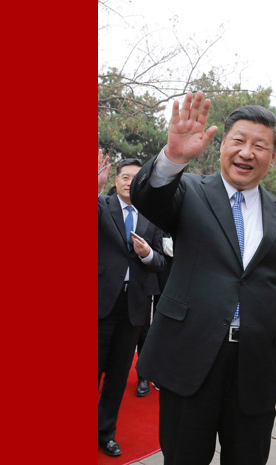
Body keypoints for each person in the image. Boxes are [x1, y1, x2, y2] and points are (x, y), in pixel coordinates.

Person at [130, 91, 276, 465]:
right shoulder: (188, 191)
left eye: (260, 146)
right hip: (190, 356)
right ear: (223, 143)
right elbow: (149, 197)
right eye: (239, 141)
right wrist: (173, 157)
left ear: (273, 156)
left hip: (255, 366)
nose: (247, 153)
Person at [98, 154, 166, 457]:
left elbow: (160, 261)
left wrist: (147, 254)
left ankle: (105, 432)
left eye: (136, 179)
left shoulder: (151, 217)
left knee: (117, 375)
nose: (129, 183)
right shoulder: (102, 206)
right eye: (125, 177)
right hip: (100, 303)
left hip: (134, 308)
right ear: (116, 180)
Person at [134, 231, 174, 396]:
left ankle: (152, 372)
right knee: (143, 326)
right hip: (145, 272)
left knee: (162, 324)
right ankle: (143, 374)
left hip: (170, 271)